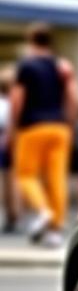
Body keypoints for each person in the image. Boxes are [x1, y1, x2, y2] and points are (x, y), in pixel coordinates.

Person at [9, 24, 78, 247]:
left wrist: (13, 127)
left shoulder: (26, 66)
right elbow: (73, 96)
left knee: (26, 175)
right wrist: (69, 122)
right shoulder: (62, 67)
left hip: (32, 127)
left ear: (30, 41)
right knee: (57, 178)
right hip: (59, 128)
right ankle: (55, 231)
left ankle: (43, 210)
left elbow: (17, 100)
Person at [0, 71, 16, 233]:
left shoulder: (4, 104)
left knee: (6, 182)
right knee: (12, 181)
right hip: (13, 144)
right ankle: (14, 214)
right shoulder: (13, 102)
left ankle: (11, 215)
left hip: (5, 145)